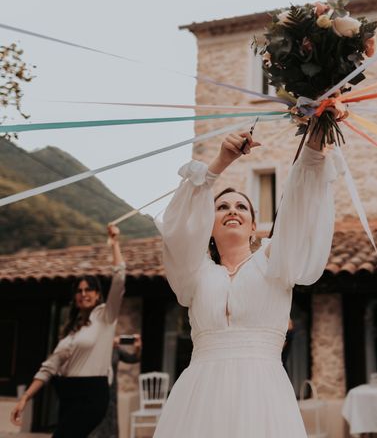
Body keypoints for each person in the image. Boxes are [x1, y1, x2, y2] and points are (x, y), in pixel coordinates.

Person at [153, 126, 336, 437]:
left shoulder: (275, 260)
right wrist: (220, 163)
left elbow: (301, 209)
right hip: (200, 398)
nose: (232, 211)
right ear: (207, 226)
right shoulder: (194, 272)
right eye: (222, 207)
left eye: (241, 207)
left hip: (262, 395)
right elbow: (176, 227)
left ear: (254, 226)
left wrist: (316, 135)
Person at [10, 224, 126, 437]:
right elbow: (48, 367)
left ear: (98, 294)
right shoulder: (70, 331)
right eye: (79, 291)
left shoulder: (105, 317)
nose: (84, 293)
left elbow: (119, 279)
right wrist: (25, 398)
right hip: (67, 394)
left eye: (88, 289)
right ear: (75, 297)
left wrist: (114, 243)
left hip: (92, 394)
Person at [88, 334, 142, 438]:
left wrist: (138, 347)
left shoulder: (115, 349)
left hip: (111, 392)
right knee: (97, 422)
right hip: (96, 390)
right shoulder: (96, 348)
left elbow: (133, 359)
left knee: (111, 422)